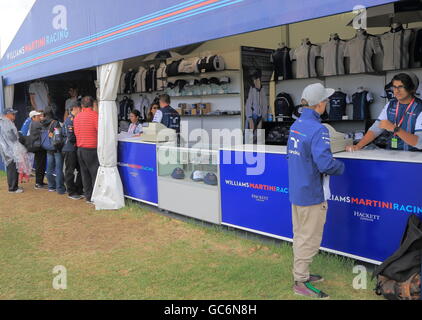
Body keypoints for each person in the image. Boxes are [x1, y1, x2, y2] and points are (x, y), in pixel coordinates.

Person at [287, 83, 345, 299]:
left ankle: (302, 274)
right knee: (308, 239)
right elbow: (326, 165)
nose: (328, 103)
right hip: (311, 193)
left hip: (298, 190)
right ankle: (300, 281)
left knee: (300, 235)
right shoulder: (318, 129)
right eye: (326, 100)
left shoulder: (297, 124)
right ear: (319, 104)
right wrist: (341, 167)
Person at [347, 72, 422, 152]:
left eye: (401, 87)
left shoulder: (419, 108)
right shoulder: (391, 104)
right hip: (392, 153)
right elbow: (375, 129)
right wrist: (358, 146)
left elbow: (420, 143)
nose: (397, 91)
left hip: (414, 157)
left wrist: (395, 129)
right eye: (394, 87)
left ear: (411, 88)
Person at [74, 96, 100, 204]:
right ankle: (95, 196)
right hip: (92, 149)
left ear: (82, 105)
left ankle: (88, 197)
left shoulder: (77, 117)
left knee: (84, 174)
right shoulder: (95, 116)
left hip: (80, 148)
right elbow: (100, 131)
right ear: (93, 104)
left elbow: (76, 133)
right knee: (94, 173)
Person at [0, 109, 32, 193]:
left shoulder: (5, 121)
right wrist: (17, 139)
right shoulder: (5, 122)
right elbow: (11, 136)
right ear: (7, 114)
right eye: (13, 113)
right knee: (12, 168)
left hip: (9, 149)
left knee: (13, 168)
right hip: (9, 150)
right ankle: (13, 188)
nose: (14, 115)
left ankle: (14, 186)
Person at [63, 102, 84, 200]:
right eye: (80, 109)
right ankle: (71, 191)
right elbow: (71, 137)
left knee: (81, 169)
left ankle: (79, 189)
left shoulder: (76, 119)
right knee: (70, 170)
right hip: (70, 149)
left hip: (76, 148)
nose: (81, 110)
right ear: (75, 108)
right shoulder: (69, 120)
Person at [41, 111, 66, 194]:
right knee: (58, 169)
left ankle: (51, 186)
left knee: (49, 168)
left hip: (48, 147)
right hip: (56, 148)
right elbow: (58, 136)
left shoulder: (42, 122)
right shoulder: (55, 122)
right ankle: (60, 188)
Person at [245, 69, 269, 143]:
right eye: (254, 80)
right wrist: (249, 118)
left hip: (260, 118)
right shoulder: (251, 89)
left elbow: (265, 106)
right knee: (249, 141)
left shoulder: (262, 90)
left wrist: (262, 119)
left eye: (256, 79)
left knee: (259, 141)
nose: (255, 82)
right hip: (252, 117)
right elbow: (248, 104)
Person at [27, 110, 48, 189]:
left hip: (38, 146)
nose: (40, 117)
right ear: (33, 118)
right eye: (38, 116)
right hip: (38, 147)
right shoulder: (36, 123)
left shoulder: (34, 123)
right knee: (40, 165)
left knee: (40, 165)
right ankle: (38, 183)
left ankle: (40, 182)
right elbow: (45, 127)